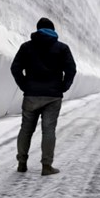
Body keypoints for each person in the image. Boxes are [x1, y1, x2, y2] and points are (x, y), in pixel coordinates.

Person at [10, 17, 76, 175]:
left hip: (31, 95)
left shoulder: (27, 47)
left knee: (26, 129)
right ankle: (47, 166)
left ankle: (22, 163)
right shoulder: (62, 48)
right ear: (53, 30)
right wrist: (63, 86)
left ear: (37, 29)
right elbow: (71, 69)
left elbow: (15, 68)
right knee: (49, 130)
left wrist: (25, 85)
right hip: (53, 96)